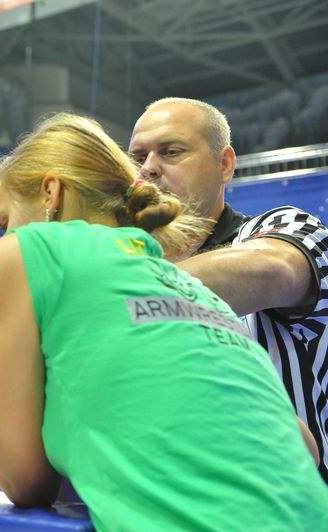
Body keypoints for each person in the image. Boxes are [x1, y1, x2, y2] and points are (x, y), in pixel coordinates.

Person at [0, 113, 328, 530]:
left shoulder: (23, 252)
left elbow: (24, 482)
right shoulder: (185, 285)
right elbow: (303, 445)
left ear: (51, 193)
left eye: (5, 222)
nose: (3, 238)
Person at [128, 97, 328, 481]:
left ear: (225, 164)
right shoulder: (125, 259)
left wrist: (96, 288)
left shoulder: (282, 227)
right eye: (137, 158)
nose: (149, 168)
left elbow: (273, 269)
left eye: (171, 152)